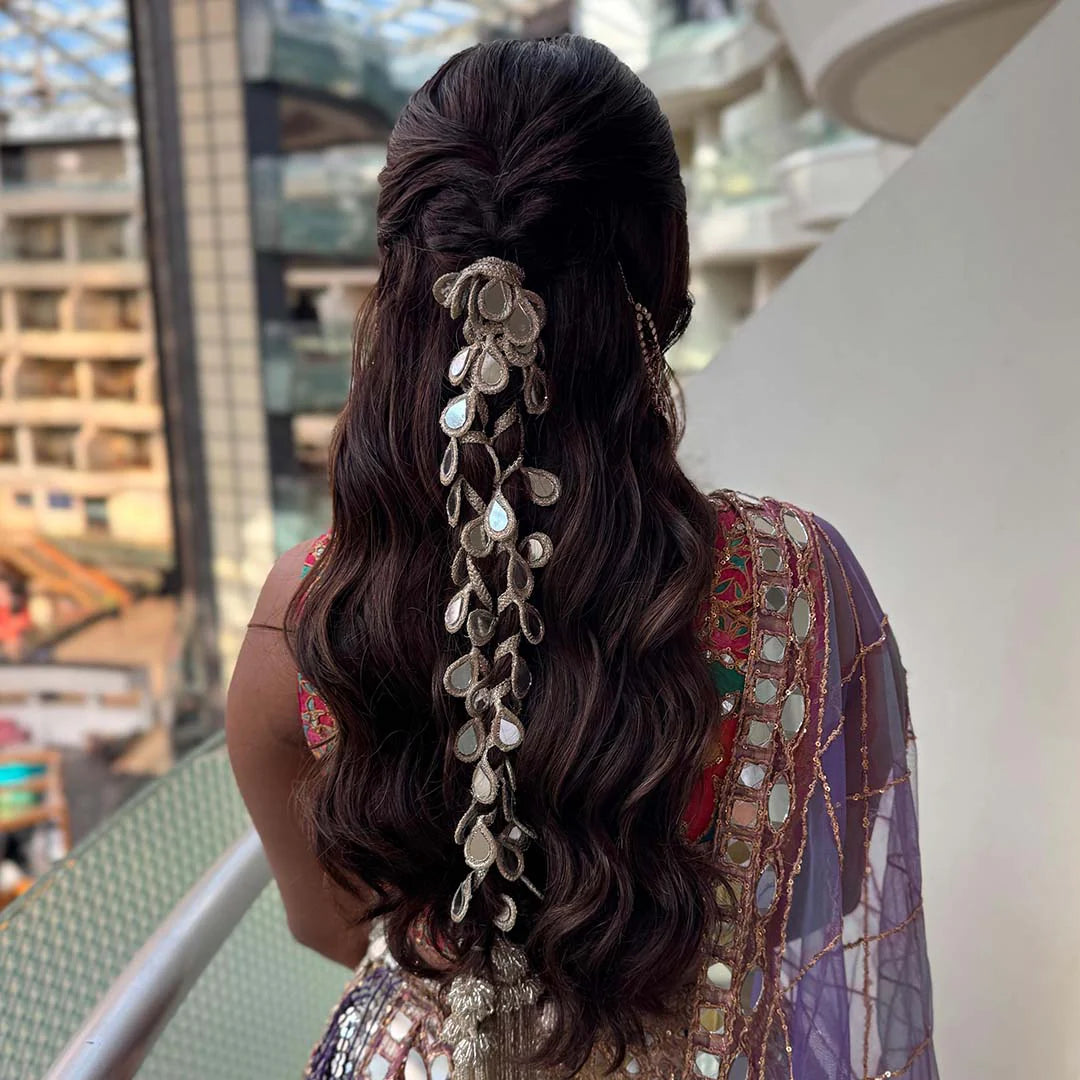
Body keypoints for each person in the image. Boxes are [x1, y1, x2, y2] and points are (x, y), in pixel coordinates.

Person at [227, 35, 936, 1080]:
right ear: (668, 268)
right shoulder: (795, 578)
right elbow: (818, 897)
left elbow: (330, 922)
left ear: (401, 282)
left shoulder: (315, 608)